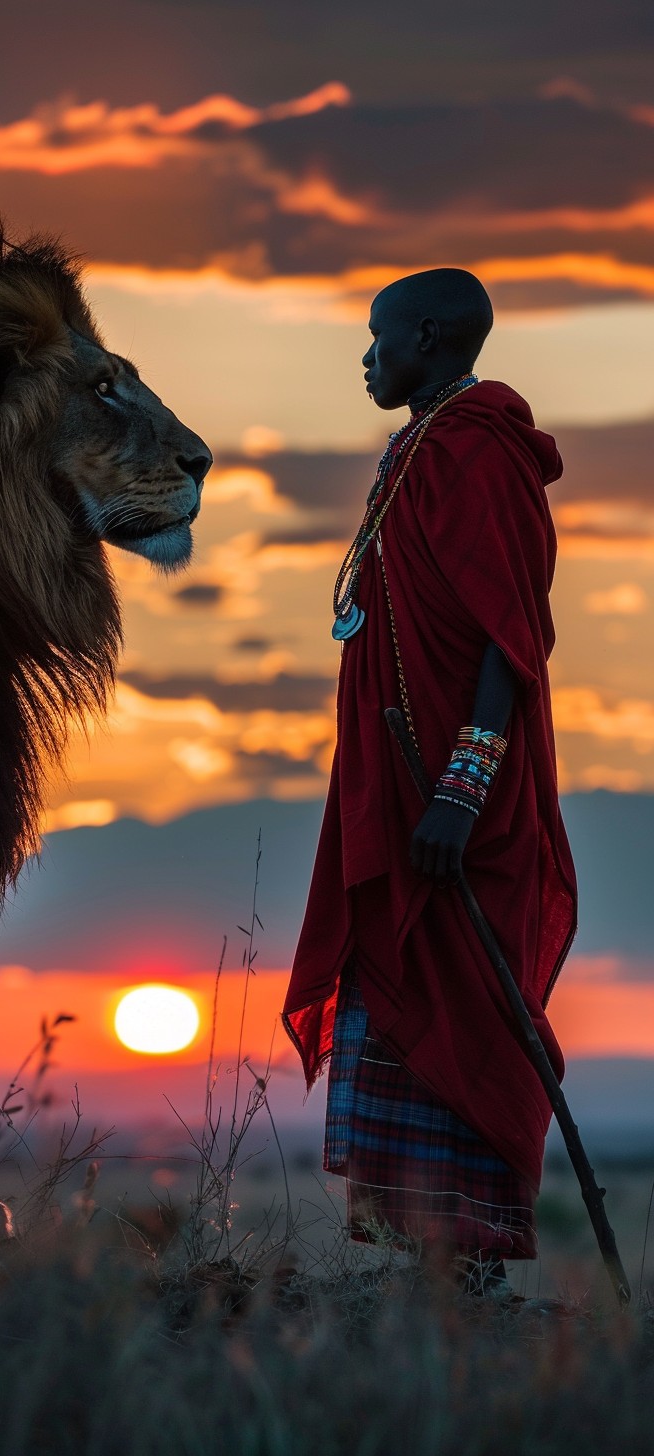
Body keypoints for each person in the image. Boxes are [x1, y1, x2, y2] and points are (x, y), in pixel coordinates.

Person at [282, 269, 577, 1298]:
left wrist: (462, 787)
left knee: (462, 1003)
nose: (367, 357)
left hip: (457, 803)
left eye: (379, 336)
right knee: (391, 984)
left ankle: (469, 1278)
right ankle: (419, 1275)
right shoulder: (415, 451)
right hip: (398, 796)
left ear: (434, 335)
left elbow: (510, 643)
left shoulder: (478, 450)